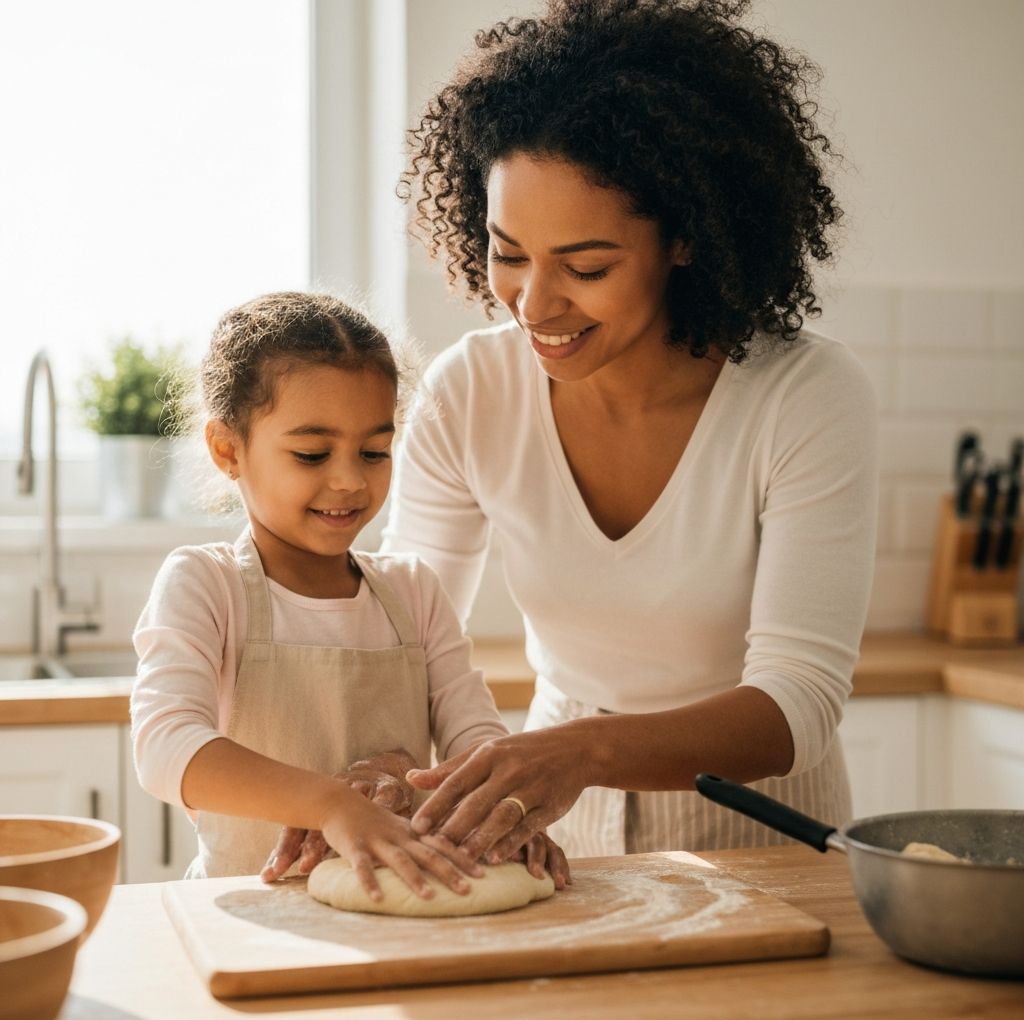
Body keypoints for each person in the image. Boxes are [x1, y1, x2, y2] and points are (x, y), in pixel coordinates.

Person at [379, 0, 879, 862]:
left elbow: (797, 703)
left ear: (685, 239)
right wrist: (381, 761)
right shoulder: (470, 392)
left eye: (586, 265)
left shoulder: (804, 395)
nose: (534, 305)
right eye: (508, 253)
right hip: (546, 821)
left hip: (759, 824)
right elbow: (404, 637)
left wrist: (581, 753)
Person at [130, 291, 567, 899]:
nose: (350, 480)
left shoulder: (413, 592)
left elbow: (474, 740)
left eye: (374, 452)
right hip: (250, 919)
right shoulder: (207, 585)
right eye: (312, 454)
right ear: (228, 449)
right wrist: (331, 805)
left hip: (391, 911)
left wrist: (505, 808)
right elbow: (165, 746)